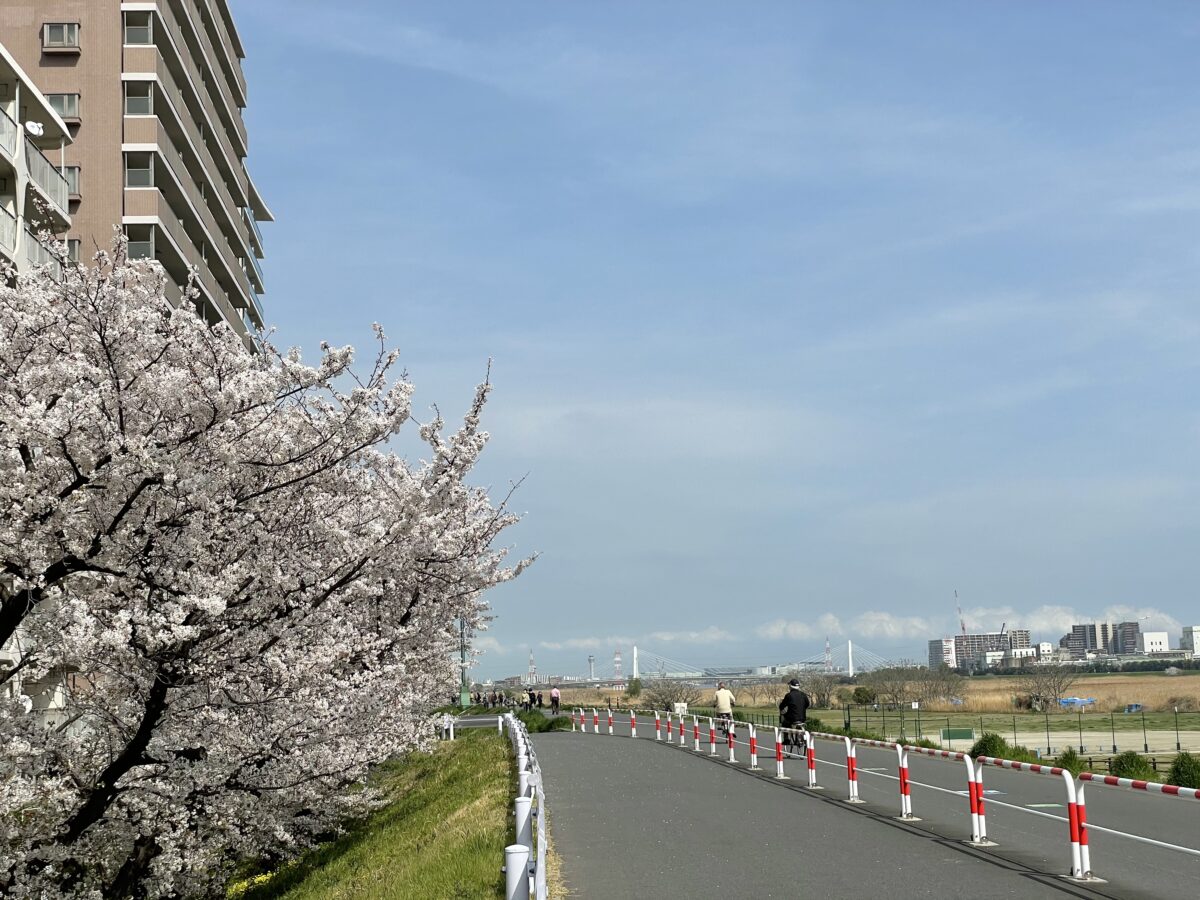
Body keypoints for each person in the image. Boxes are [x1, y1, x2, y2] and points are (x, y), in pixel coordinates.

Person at [778, 678, 810, 755]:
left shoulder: (789, 695)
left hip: (791, 718)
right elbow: (807, 704)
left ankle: (786, 739)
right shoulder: (803, 695)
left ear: (790, 686)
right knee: (799, 725)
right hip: (802, 718)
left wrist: (782, 711)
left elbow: (782, 706)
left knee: (785, 723)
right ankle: (800, 739)